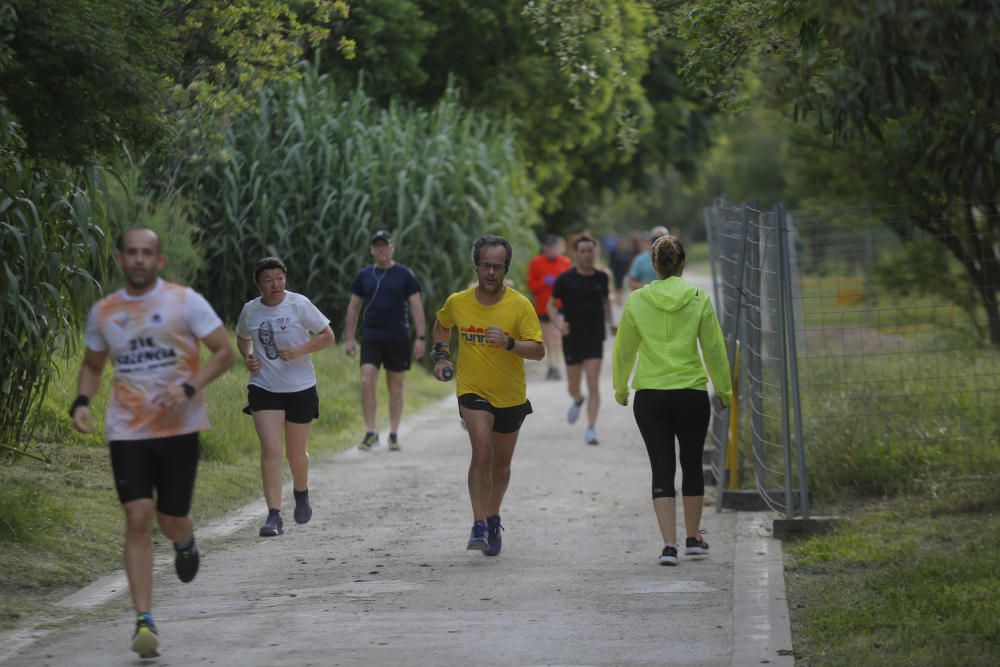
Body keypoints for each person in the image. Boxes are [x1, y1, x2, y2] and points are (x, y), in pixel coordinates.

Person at [70, 228, 235, 659]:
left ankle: (185, 540)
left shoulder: (185, 301)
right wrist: (82, 402)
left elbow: (223, 351)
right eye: (132, 253)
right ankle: (144, 619)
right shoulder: (105, 312)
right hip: (128, 429)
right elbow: (92, 364)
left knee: (171, 518)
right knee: (138, 516)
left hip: (180, 427)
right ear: (120, 259)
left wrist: (186, 388)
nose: (140, 259)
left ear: (159, 261)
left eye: (147, 253)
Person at [612, 235, 732, 566]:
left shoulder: (637, 300)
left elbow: (624, 349)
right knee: (691, 463)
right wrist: (724, 391)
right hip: (691, 394)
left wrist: (621, 389)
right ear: (682, 264)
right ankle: (694, 539)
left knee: (661, 465)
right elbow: (714, 349)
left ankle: (669, 546)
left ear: (654, 265)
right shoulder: (697, 298)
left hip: (650, 396)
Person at [431, 234, 544, 556]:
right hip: (472, 389)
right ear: (476, 266)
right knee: (481, 451)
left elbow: (538, 351)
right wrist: (441, 357)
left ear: (506, 268)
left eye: (497, 267)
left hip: (510, 395)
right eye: (485, 266)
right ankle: (478, 523)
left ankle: (493, 516)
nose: (491, 272)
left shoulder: (519, 305)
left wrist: (510, 343)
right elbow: (442, 324)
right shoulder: (459, 301)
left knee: (501, 467)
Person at [236, 257, 335, 537]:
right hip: (264, 387)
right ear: (259, 284)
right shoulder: (250, 311)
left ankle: (301, 492)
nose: (275, 284)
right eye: (268, 279)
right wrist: (249, 355)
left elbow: (328, 336)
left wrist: (301, 350)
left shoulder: (298, 304)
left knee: (295, 453)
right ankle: (274, 515)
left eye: (280, 277)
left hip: (300, 387)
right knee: (271, 449)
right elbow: (242, 337)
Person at [344, 230, 426, 451]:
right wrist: (350, 338)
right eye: (376, 246)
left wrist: (420, 337)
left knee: (396, 386)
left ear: (392, 247)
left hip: (398, 336)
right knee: (367, 380)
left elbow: (416, 306)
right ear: (371, 249)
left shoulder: (405, 275)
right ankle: (371, 432)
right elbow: (353, 308)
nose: (381, 249)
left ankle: (393, 433)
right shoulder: (364, 276)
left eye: (384, 245)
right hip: (371, 336)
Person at [548, 235, 615, 445]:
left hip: (595, 336)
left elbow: (606, 302)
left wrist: (611, 322)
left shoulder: (602, 278)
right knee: (573, 386)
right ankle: (578, 400)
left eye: (590, 251)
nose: (587, 255)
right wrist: (559, 325)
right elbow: (550, 306)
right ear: (576, 254)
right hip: (572, 337)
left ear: (595, 253)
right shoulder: (565, 279)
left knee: (593, 383)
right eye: (583, 251)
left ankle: (591, 428)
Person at [526, 234, 571, 380]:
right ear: (545, 247)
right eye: (549, 247)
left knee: (557, 335)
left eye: (555, 246)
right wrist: (544, 283)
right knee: (549, 337)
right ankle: (551, 366)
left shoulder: (565, 262)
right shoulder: (536, 263)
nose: (552, 249)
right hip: (543, 306)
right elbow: (531, 286)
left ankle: (555, 366)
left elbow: (571, 284)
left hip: (560, 305)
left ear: (559, 247)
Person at [626, 225, 669, 290]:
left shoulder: (673, 260)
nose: (660, 242)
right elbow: (630, 282)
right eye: (656, 239)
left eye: (664, 239)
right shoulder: (640, 259)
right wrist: (644, 286)